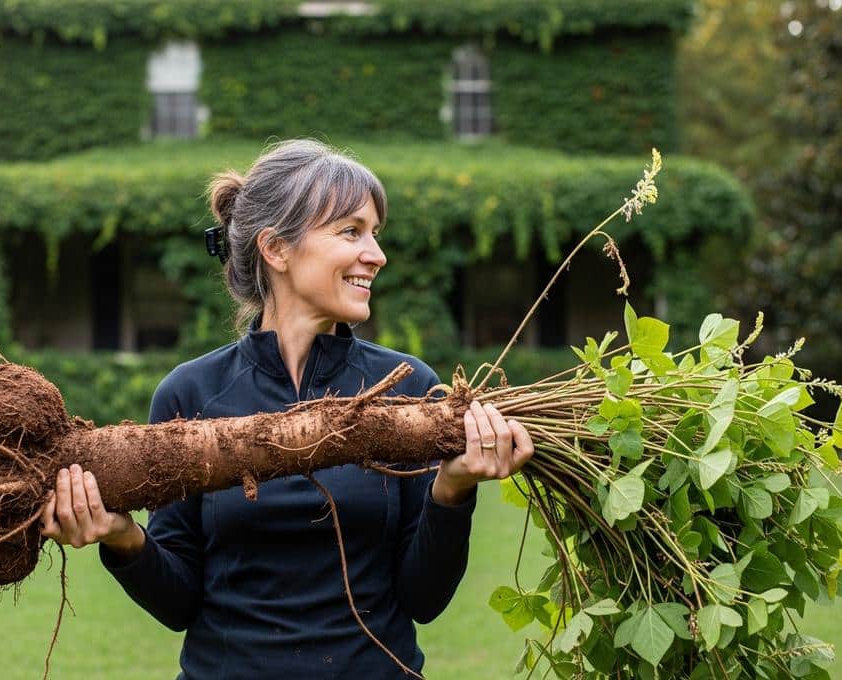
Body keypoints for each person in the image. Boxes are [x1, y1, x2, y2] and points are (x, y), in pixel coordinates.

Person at [40, 139, 534, 678]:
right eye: (351, 231)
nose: (376, 253)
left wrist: (452, 489)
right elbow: (179, 603)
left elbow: (423, 599)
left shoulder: (410, 387)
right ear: (276, 249)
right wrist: (121, 536)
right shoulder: (191, 394)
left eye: (375, 233)